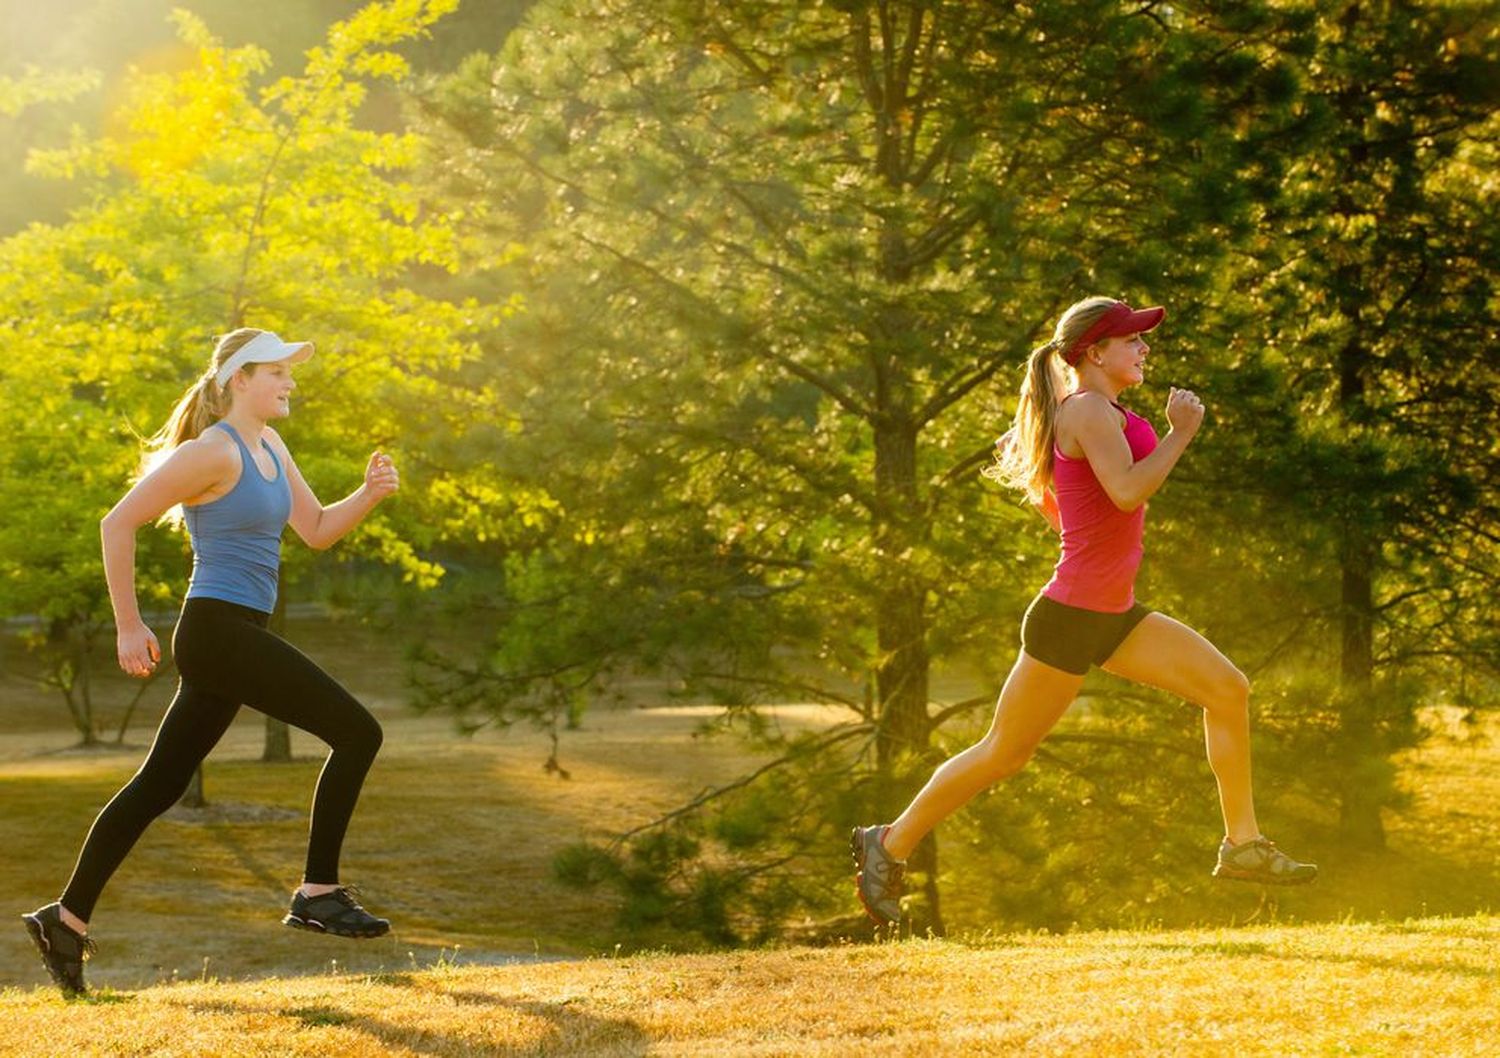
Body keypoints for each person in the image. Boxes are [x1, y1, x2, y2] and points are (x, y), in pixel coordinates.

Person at [851, 296, 1317, 926]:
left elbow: (1074, 507)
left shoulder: (1094, 411)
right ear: (1095, 352)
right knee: (1003, 753)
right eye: (1132, 341)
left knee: (1227, 689)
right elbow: (1126, 493)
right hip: (1070, 619)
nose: (1144, 349)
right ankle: (891, 842)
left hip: (1112, 614)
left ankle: (1242, 844)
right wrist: (1181, 433)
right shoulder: (1089, 409)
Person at [23, 328, 400, 996]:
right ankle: (317, 892)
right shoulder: (211, 452)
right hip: (218, 632)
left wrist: (368, 494)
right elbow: (117, 523)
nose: (290, 383)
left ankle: (66, 920)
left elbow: (313, 531)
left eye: (290, 373)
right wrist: (130, 624)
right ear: (238, 379)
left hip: (235, 632)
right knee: (358, 732)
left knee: (157, 786)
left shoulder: (270, 445)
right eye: (277, 372)